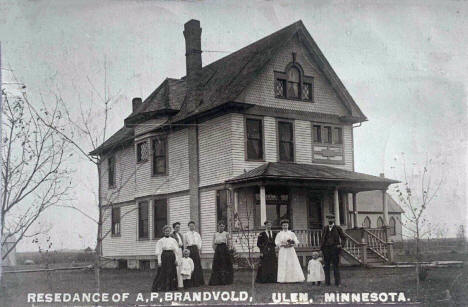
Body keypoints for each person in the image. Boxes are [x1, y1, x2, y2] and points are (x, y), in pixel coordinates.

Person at [151, 225, 181, 291]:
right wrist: (159, 261)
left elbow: (176, 251)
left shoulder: (173, 240)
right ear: (163, 232)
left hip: (171, 256)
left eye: (168, 231)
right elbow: (159, 252)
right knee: (162, 272)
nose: (167, 232)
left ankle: (172, 287)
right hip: (164, 256)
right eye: (166, 231)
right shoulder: (160, 241)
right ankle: (162, 287)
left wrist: (176, 259)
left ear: (170, 232)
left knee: (172, 272)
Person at [320, 215, 347, 286]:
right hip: (326, 249)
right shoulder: (325, 228)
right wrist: (321, 248)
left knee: (335, 266)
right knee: (326, 266)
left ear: (334, 219)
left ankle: (337, 283)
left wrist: (341, 245)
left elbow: (344, 237)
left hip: (335, 249)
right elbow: (323, 239)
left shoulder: (338, 228)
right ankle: (327, 282)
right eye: (329, 218)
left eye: (331, 218)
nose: (330, 220)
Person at [183, 221, 205, 286]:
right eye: (190, 226)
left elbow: (200, 242)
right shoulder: (186, 234)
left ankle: (198, 282)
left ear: (194, 226)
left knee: (196, 264)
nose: (192, 227)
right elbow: (184, 244)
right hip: (189, 249)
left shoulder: (197, 234)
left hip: (195, 249)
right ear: (188, 227)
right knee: (190, 264)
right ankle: (190, 282)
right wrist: (185, 251)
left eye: (193, 225)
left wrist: (199, 249)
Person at [171, 222, 184, 289]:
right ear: (174, 228)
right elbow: (172, 244)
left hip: (180, 251)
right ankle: (175, 283)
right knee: (176, 266)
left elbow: (182, 244)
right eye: (176, 227)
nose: (178, 228)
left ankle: (180, 284)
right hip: (175, 251)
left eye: (178, 227)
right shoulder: (172, 235)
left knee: (180, 266)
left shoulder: (180, 235)